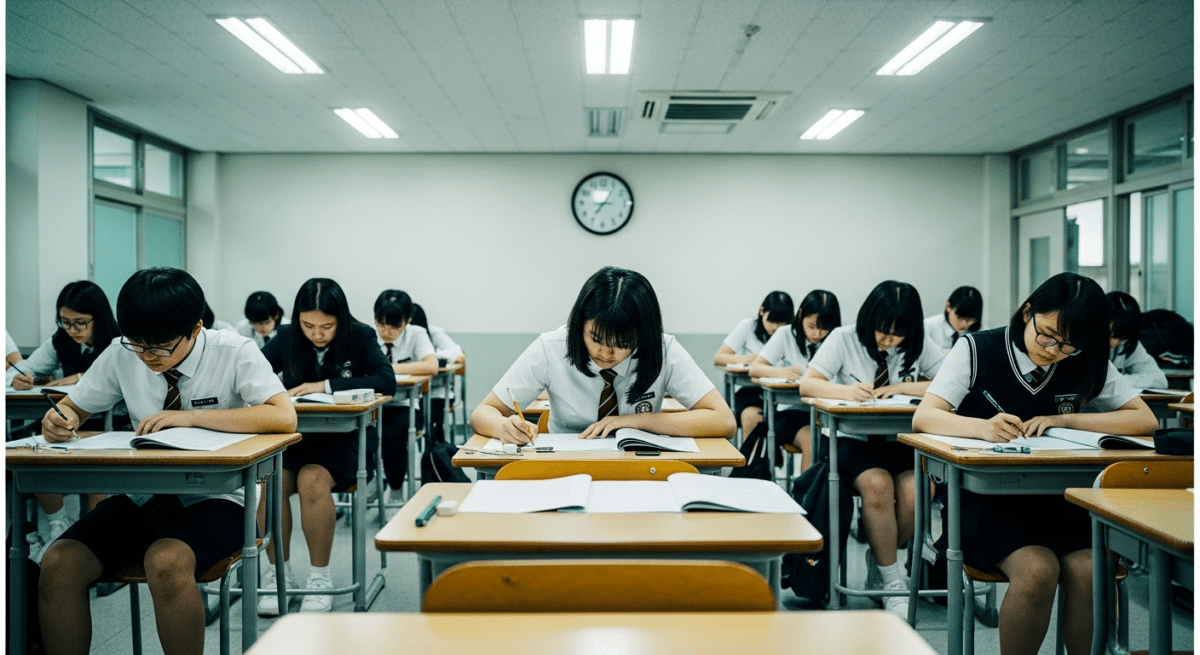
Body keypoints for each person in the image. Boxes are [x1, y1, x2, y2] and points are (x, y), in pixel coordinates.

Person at [37, 267, 296, 655]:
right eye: (137, 345)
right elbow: (75, 406)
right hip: (147, 495)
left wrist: (191, 417)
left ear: (194, 329)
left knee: (166, 560)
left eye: (158, 348)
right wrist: (61, 420)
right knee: (59, 562)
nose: (146, 356)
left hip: (223, 499)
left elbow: (282, 416)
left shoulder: (233, 351)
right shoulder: (124, 351)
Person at [913, 272, 1157, 655]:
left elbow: (1144, 420)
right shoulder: (977, 348)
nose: (1054, 350)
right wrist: (981, 427)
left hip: (1059, 500)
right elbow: (925, 416)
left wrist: (1066, 419)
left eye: (1069, 346)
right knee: (1037, 570)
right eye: (1047, 335)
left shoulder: (1084, 357)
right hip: (985, 502)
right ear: (1028, 311)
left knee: (1093, 571)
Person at [798, 280, 943, 618]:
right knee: (878, 486)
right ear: (868, 318)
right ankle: (893, 580)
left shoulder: (918, 343)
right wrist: (845, 392)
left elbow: (948, 381)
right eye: (882, 330)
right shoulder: (844, 338)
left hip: (898, 440)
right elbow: (809, 383)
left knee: (917, 489)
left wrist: (900, 386)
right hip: (851, 441)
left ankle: (882, 559)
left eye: (897, 334)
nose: (888, 340)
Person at [472, 266, 735, 443]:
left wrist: (636, 421)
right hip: (564, 463)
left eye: (622, 343)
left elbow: (723, 421)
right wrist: (502, 427)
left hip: (640, 464)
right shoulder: (551, 347)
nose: (605, 352)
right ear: (579, 326)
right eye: (595, 338)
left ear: (644, 334)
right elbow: (483, 412)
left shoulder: (663, 349)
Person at [258, 278, 396, 615]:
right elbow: (253, 373)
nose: (317, 334)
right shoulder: (288, 336)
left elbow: (385, 380)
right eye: (309, 325)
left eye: (326, 326)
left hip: (345, 440)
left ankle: (320, 578)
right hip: (296, 438)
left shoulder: (360, 336)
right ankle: (279, 576)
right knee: (270, 483)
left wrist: (326, 385)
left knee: (312, 480)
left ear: (341, 320)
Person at [7, 280, 124, 562]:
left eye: (80, 323)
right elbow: (24, 369)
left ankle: (99, 536)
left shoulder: (120, 341)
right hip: (73, 420)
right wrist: (19, 378)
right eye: (65, 322)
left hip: (115, 423)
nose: (72, 330)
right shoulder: (60, 339)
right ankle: (59, 522)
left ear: (99, 317)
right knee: (38, 447)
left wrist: (82, 379)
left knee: (96, 460)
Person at [747, 289, 840, 473]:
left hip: (826, 412)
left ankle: (826, 498)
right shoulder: (785, 334)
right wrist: (781, 372)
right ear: (800, 315)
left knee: (838, 446)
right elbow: (755, 369)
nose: (817, 333)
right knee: (812, 441)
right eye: (812, 326)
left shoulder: (836, 339)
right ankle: (805, 497)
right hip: (791, 412)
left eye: (824, 328)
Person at [373, 290, 438, 494]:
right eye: (381, 324)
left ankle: (395, 487)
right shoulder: (366, 334)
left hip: (403, 404)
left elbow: (431, 366)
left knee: (393, 433)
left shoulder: (417, 333)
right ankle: (371, 481)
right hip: (371, 404)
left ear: (407, 320)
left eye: (395, 326)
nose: (386, 332)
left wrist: (385, 369)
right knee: (356, 435)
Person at [714, 291, 793, 437]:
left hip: (781, 395)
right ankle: (752, 458)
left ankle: (773, 458)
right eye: (772, 320)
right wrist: (745, 359)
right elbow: (719, 357)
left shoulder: (788, 334)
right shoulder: (748, 326)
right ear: (762, 311)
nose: (775, 327)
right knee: (753, 417)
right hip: (750, 391)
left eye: (782, 322)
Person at [410, 302, 464, 443]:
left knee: (433, 413)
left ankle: (436, 447)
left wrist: (433, 357)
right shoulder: (402, 336)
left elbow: (456, 351)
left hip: (438, 391)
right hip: (413, 393)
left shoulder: (433, 332)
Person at [1106, 291, 1167, 390]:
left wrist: (1115, 381)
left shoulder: (1128, 343)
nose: (1114, 343)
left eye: (1122, 337)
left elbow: (1159, 379)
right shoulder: (1080, 342)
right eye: (1111, 335)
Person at [924, 285, 982, 351]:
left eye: (969, 320)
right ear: (948, 307)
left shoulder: (979, 332)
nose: (964, 324)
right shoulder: (928, 327)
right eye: (960, 318)